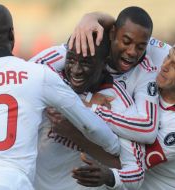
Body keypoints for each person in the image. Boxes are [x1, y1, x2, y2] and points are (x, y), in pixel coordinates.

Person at [0, 3, 120, 189]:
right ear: (12, 34)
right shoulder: (37, 74)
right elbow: (90, 126)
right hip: (12, 181)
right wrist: (116, 148)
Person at [71, 35, 175, 190]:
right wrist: (91, 19)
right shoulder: (164, 54)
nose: (164, 65)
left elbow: (131, 160)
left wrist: (75, 136)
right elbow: (121, 30)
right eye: (169, 56)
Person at [31, 6, 159, 145]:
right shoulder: (88, 46)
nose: (132, 52)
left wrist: (93, 110)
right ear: (112, 34)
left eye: (140, 47)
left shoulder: (146, 73)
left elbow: (148, 130)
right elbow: (27, 75)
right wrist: (82, 102)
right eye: (126, 42)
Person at [34, 32, 145, 190]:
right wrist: (83, 104)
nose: (76, 70)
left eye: (86, 63)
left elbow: (136, 172)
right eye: (71, 60)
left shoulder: (120, 103)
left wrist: (108, 176)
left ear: (104, 62)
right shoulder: (52, 81)